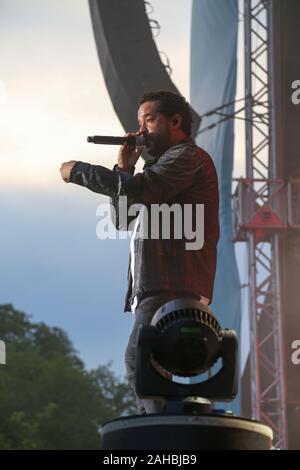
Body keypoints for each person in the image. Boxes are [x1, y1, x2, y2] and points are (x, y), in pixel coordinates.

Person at [60, 90, 220, 415]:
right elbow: (122, 218)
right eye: (138, 123)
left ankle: (159, 436)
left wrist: (78, 171)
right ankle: (160, 429)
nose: (141, 132)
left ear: (175, 121)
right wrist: (124, 168)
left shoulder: (187, 158)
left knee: (140, 362)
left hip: (172, 284)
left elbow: (142, 189)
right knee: (145, 364)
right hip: (157, 287)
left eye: (148, 120)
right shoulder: (161, 170)